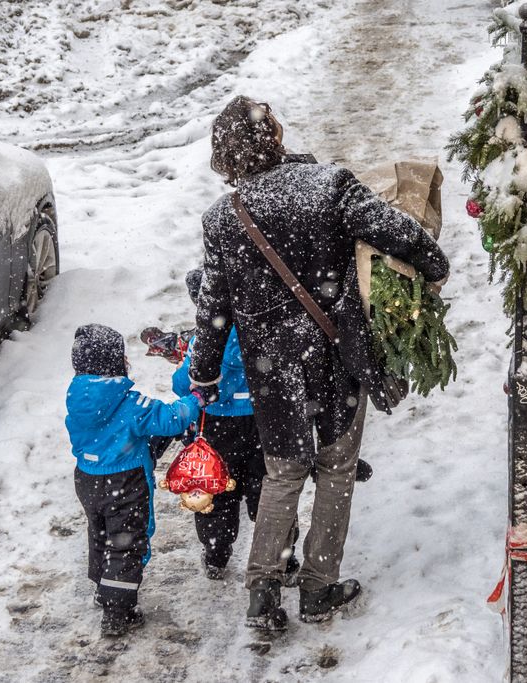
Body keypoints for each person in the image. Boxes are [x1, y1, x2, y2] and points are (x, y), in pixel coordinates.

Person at [188, 96, 449, 630]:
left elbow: (213, 309)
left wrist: (205, 372)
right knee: (336, 469)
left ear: (226, 158)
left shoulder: (223, 219)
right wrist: (432, 263)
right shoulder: (328, 185)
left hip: (271, 369)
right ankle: (317, 587)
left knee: (283, 472)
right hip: (335, 358)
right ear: (275, 138)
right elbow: (392, 230)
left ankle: (263, 591)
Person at [65, 323, 204, 637]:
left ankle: (103, 588)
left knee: (99, 533)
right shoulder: (128, 404)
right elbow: (171, 419)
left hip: (87, 479)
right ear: (114, 364)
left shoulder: (77, 398)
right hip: (124, 481)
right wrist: (195, 400)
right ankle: (118, 612)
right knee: (126, 543)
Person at [171, 268, 301, 582]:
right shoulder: (257, 329)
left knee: (217, 489)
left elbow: (182, 384)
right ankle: (284, 554)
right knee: (268, 489)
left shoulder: (206, 340)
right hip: (261, 423)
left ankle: (216, 554)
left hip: (217, 427)